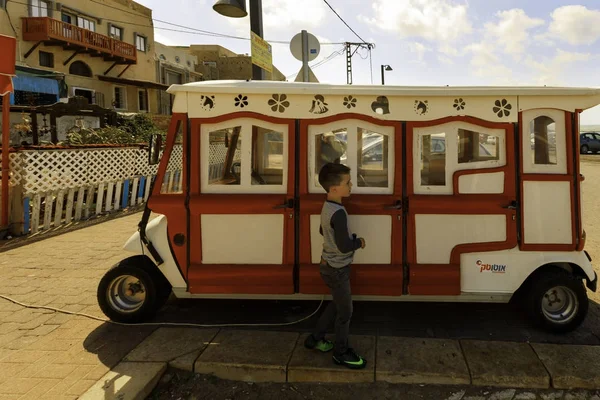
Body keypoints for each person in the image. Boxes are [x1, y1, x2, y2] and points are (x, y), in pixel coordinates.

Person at [304, 162, 367, 369]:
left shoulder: (328, 207)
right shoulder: (338, 213)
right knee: (345, 312)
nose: (351, 186)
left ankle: (316, 339)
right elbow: (344, 247)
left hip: (327, 265)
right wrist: (358, 242)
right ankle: (341, 352)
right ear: (334, 188)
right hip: (338, 269)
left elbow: (323, 232)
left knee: (336, 305)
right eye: (348, 183)